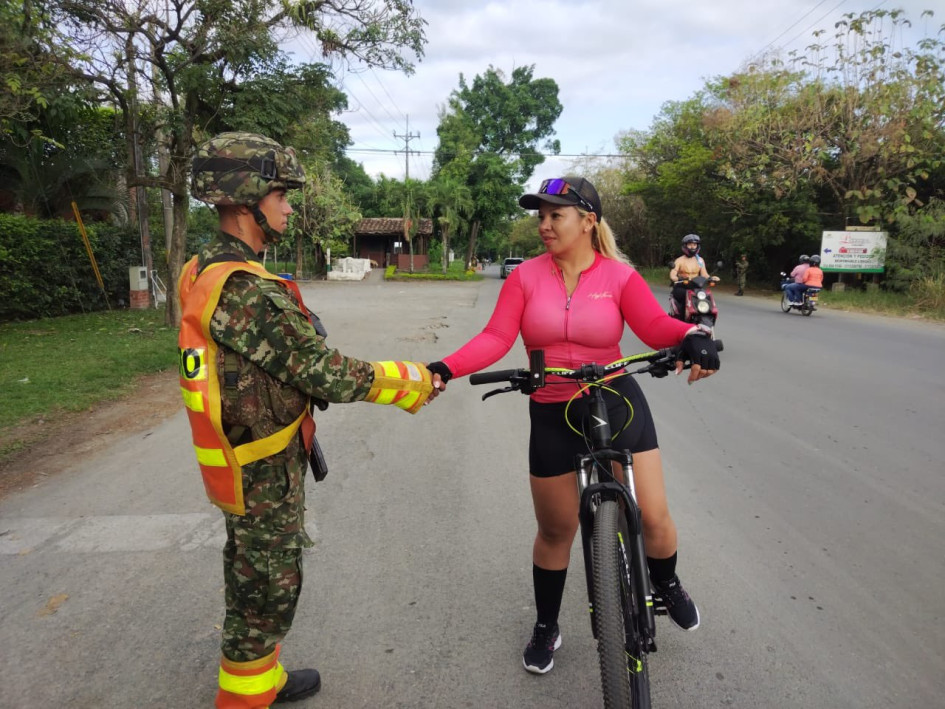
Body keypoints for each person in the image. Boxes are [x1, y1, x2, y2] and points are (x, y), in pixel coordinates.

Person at [179, 131, 437, 708]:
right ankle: (243, 697)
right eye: (281, 196)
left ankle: (261, 679)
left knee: (256, 578)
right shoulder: (243, 289)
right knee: (267, 588)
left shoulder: (203, 268)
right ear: (246, 201)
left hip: (245, 455)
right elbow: (325, 373)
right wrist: (412, 382)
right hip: (261, 466)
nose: (290, 208)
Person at [424, 176, 720, 675]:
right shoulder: (525, 277)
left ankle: (666, 582)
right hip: (551, 409)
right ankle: (547, 624)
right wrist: (445, 368)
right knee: (555, 529)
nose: (543, 225)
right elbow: (496, 336)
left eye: (554, 215)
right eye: (540, 216)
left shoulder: (619, 277)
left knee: (653, 516)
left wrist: (694, 333)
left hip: (615, 401)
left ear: (587, 221)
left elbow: (653, 327)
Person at [669, 234, 713, 314]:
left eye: (694, 244)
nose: (692, 247)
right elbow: (673, 274)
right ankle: (682, 317)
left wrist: (711, 278)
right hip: (682, 286)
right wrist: (678, 278)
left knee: (706, 296)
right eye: (690, 244)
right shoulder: (679, 260)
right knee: (684, 297)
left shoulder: (700, 260)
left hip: (696, 287)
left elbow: (704, 274)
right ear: (685, 246)